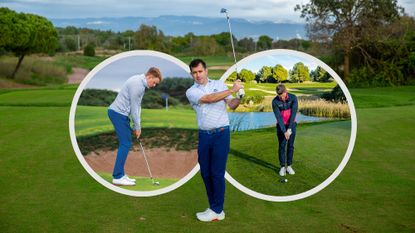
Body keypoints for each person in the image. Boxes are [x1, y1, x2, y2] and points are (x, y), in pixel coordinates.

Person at [186, 59, 242, 222]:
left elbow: (232, 105)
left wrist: (239, 96)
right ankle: (214, 208)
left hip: (221, 134)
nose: (197, 75)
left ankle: (217, 210)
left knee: (217, 172)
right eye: (194, 72)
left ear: (206, 71)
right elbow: (209, 98)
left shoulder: (219, 84)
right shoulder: (191, 91)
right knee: (205, 173)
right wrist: (232, 88)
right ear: (191, 74)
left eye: (200, 71)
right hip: (204, 135)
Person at [108, 67, 162, 186]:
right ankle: (117, 176)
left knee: (126, 142)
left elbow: (138, 106)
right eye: (154, 82)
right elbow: (134, 108)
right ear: (150, 77)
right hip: (118, 114)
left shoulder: (140, 82)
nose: (153, 86)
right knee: (125, 143)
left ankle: (121, 174)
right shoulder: (137, 85)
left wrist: (137, 125)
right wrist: (137, 127)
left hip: (121, 115)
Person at [272, 84, 298, 177]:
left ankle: (289, 166)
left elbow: (293, 114)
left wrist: (289, 129)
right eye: (279, 96)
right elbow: (278, 117)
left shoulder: (293, 98)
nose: (281, 98)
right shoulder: (275, 101)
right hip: (281, 127)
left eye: (282, 95)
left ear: (285, 92)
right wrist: (284, 131)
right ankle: (282, 167)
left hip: (292, 125)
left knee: (290, 146)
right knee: (282, 146)